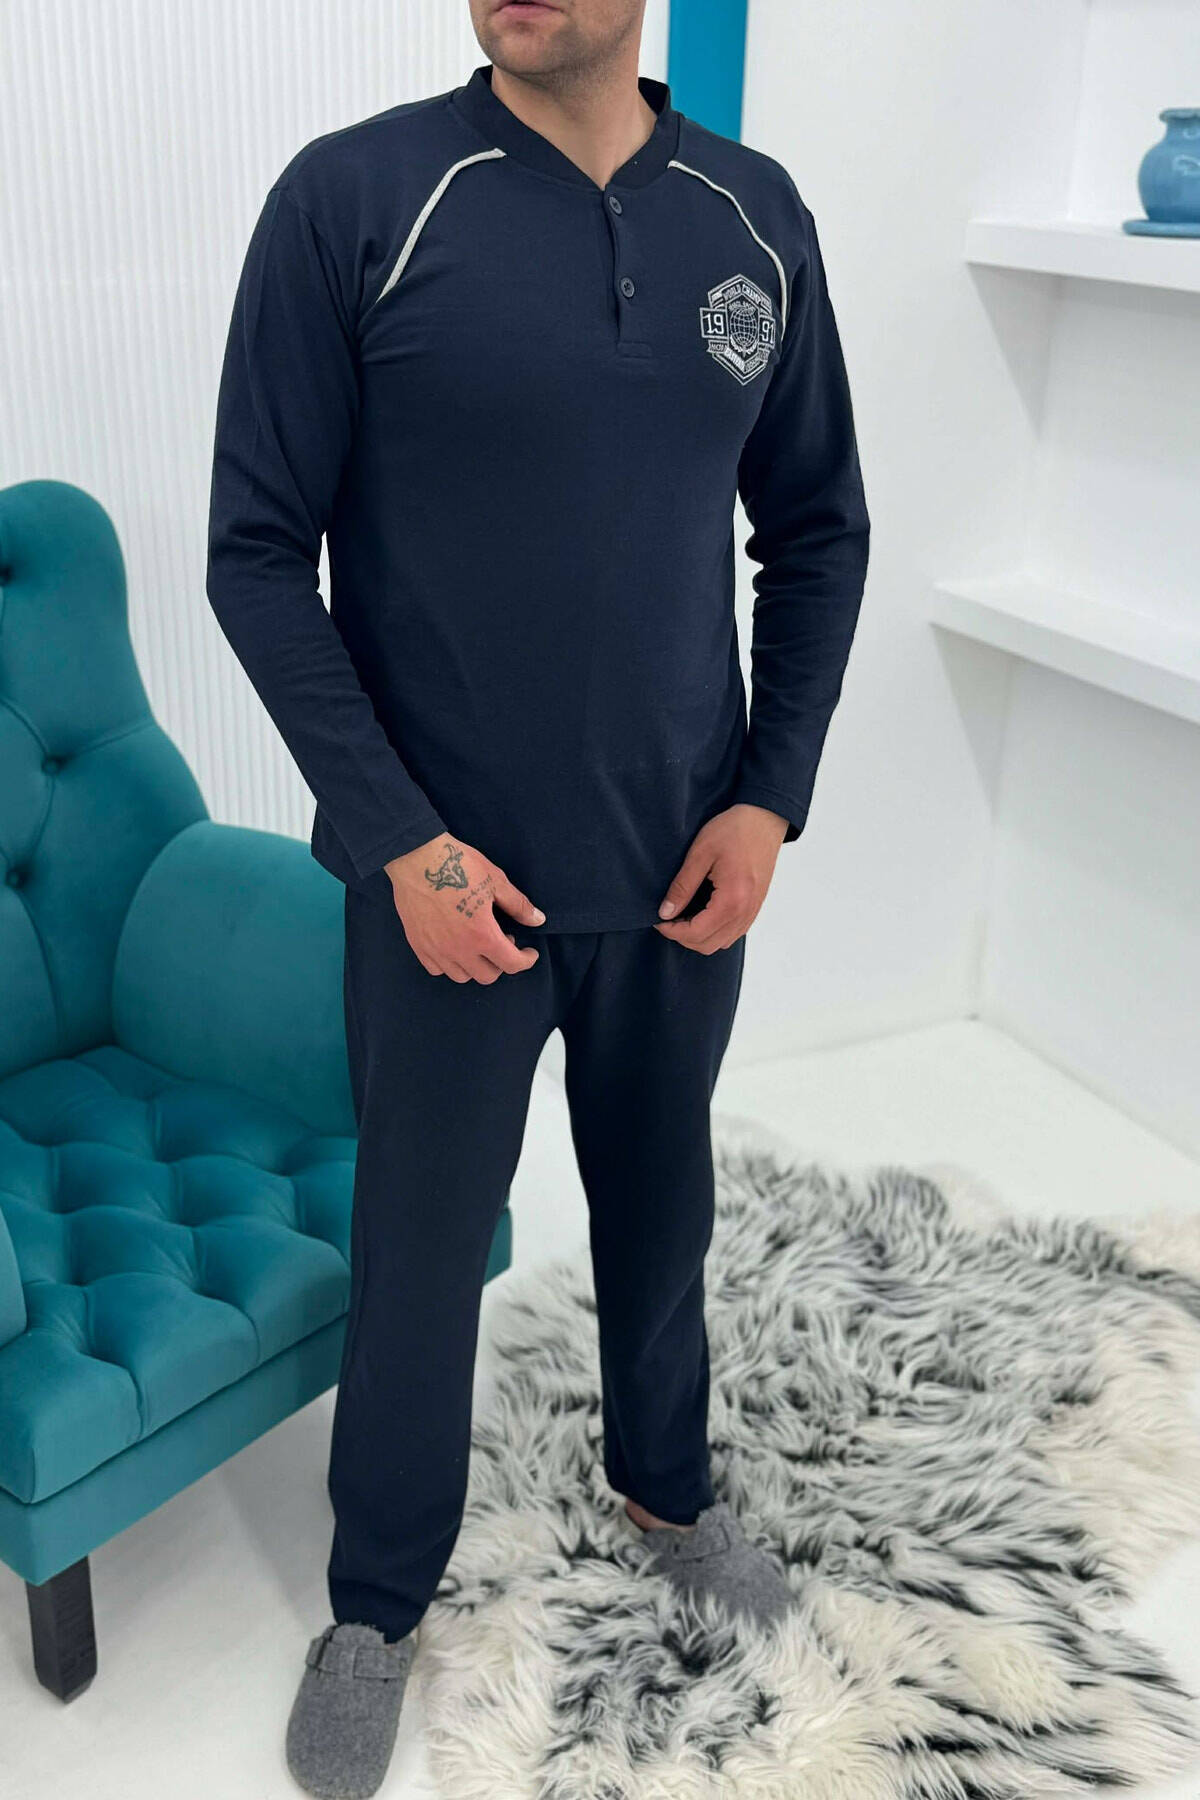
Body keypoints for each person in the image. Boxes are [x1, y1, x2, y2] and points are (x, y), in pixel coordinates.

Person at [206, 0, 870, 1792]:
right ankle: (375, 1604)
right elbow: (256, 552)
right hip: (449, 884)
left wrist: (770, 797)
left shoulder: (751, 214)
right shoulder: (358, 199)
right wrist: (401, 844)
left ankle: (668, 1492)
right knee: (420, 1255)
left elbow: (818, 528)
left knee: (663, 1204)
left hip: (679, 868)